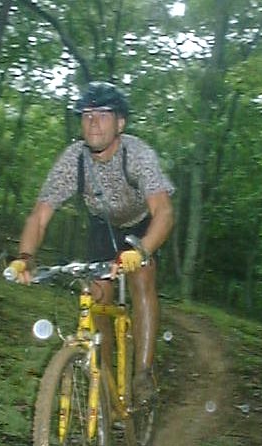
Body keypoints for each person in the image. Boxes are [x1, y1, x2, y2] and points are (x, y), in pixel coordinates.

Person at [13, 81, 174, 407]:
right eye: (86, 115)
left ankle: (142, 374)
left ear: (120, 123)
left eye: (102, 115)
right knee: (97, 293)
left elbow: (164, 212)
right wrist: (25, 257)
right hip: (103, 227)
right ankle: (104, 376)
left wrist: (142, 250)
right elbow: (40, 216)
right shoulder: (74, 160)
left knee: (142, 276)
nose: (93, 122)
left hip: (142, 225)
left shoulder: (138, 155)